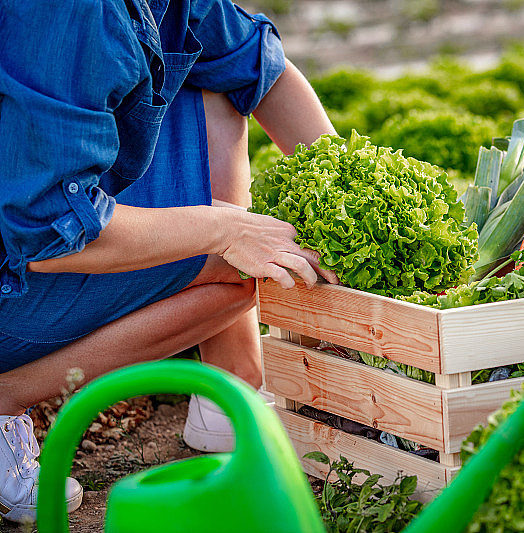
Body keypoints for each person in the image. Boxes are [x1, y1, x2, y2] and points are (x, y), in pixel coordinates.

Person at [0, 0, 339, 523]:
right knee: (239, 269)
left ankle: (234, 390)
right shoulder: (70, 12)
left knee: (213, 77)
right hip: (20, 254)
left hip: (32, 216)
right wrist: (224, 229)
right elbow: (45, 232)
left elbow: (257, 67)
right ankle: (5, 395)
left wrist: (351, 196)